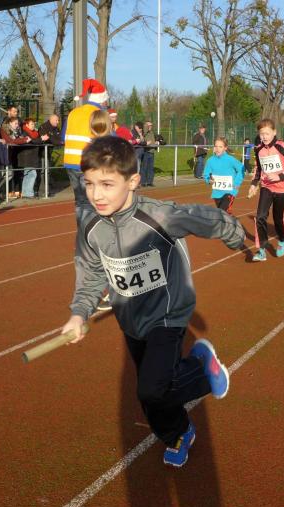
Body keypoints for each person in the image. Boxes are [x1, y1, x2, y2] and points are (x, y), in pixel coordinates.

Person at [60, 136, 245, 467]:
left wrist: (235, 234)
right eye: (89, 184)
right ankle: (178, 432)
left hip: (168, 314)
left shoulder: (158, 216)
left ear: (132, 181)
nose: (96, 194)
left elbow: (205, 218)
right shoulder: (90, 226)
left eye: (106, 184)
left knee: (152, 388)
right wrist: (79, 314)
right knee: (149, 395)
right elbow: (90, 275)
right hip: (130, 319)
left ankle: (201, 368)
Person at [247, 118, 284, 261]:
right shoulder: (258, 149)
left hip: (282, 188)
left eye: (267, 133)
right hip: (266, 186)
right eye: (261, 134)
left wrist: (279, 176)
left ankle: (283, 239)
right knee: (260, 217)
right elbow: (259, 169)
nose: (264, 137)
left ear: (274, 132)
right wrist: (254, 184)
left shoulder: (281, 146)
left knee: (277, 218)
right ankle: (261, 250)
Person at [63, 78, 109, 209]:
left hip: (69, 161)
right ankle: (91, 222)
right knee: (92, 200)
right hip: (87, 162)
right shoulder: (98, 114)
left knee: (80, 200)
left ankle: (82, 221)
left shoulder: (74, 112)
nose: (106, 104)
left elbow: (63, 136)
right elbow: (108, 138)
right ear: (102, 100)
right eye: (106, 101)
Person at [203, 136, 244, 213]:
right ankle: (230, 220)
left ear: (225, 148)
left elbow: (241, 169)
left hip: (230, 192)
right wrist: (208, 180)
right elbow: (206, 174)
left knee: (222, 212)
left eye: (220, 147)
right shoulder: (210, 161)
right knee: (223, 214)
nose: (217, 149)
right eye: (216, 146)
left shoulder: (230, 159)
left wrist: (237, 183)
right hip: (217, 193)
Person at [0, 116, 31, 199]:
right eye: (15, 123)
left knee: (12, 174)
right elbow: (11, 141)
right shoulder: (4, 130)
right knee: (6, 175)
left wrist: (22, 139)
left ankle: (10, 192)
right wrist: (24, 140)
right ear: (10, 123)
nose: (17, 125)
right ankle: (0, 192)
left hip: (12, 155)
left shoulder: (16, 131)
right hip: (4, 155)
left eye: (18, 124)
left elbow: (16, 140)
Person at [18, 117, 49, 199]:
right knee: (31, 174)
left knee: (29, 174)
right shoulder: (24, 132)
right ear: (27, 125)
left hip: (32, 156)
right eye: (31, 124)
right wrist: (41, 139)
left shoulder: (34, 133)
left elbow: (35, 140)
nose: (33, 125)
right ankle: (28, 193)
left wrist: (42, 139)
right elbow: (32, 141)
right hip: (26, 156)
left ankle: (26, 192)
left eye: (34, 124)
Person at [37, 114, 62, 197]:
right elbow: (50, 139)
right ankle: (42, 191)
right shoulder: (43, 127)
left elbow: (58, 138)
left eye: (58, 120)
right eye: (56, 120)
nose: (58, 122)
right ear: (51, 120)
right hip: (42, 153)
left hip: (48, 152)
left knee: (47, 171)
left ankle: (46, 190)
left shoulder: (56, 128)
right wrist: (57, 141)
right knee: (43, 171)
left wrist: (57, 141)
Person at [140, 120, 158, 187]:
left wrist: (156, 143)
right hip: (146, 152)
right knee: (144, 167)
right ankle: (143, 182)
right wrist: (146, 127)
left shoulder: (152, 133)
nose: (150, 127)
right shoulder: (144, 132)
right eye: (149, 125)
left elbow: (153, 140)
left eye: (151, 125)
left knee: (150, 168)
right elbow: (143, 136)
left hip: (151, 151)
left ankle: (150, 182)